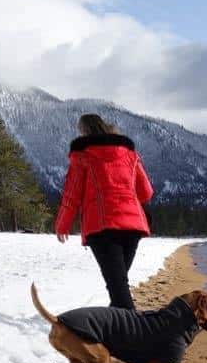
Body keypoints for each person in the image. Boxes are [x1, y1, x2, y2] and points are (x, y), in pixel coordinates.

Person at [54, 113, 154, 310]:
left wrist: (63, 223)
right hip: (133, 227)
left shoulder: (83, 155)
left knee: (119, 291)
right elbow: (146, 192)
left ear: (83, 131)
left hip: (102, 227)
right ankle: (115, 331)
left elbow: (72, 194)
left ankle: (133, 336)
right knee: (119, 288)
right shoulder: (129, 154)